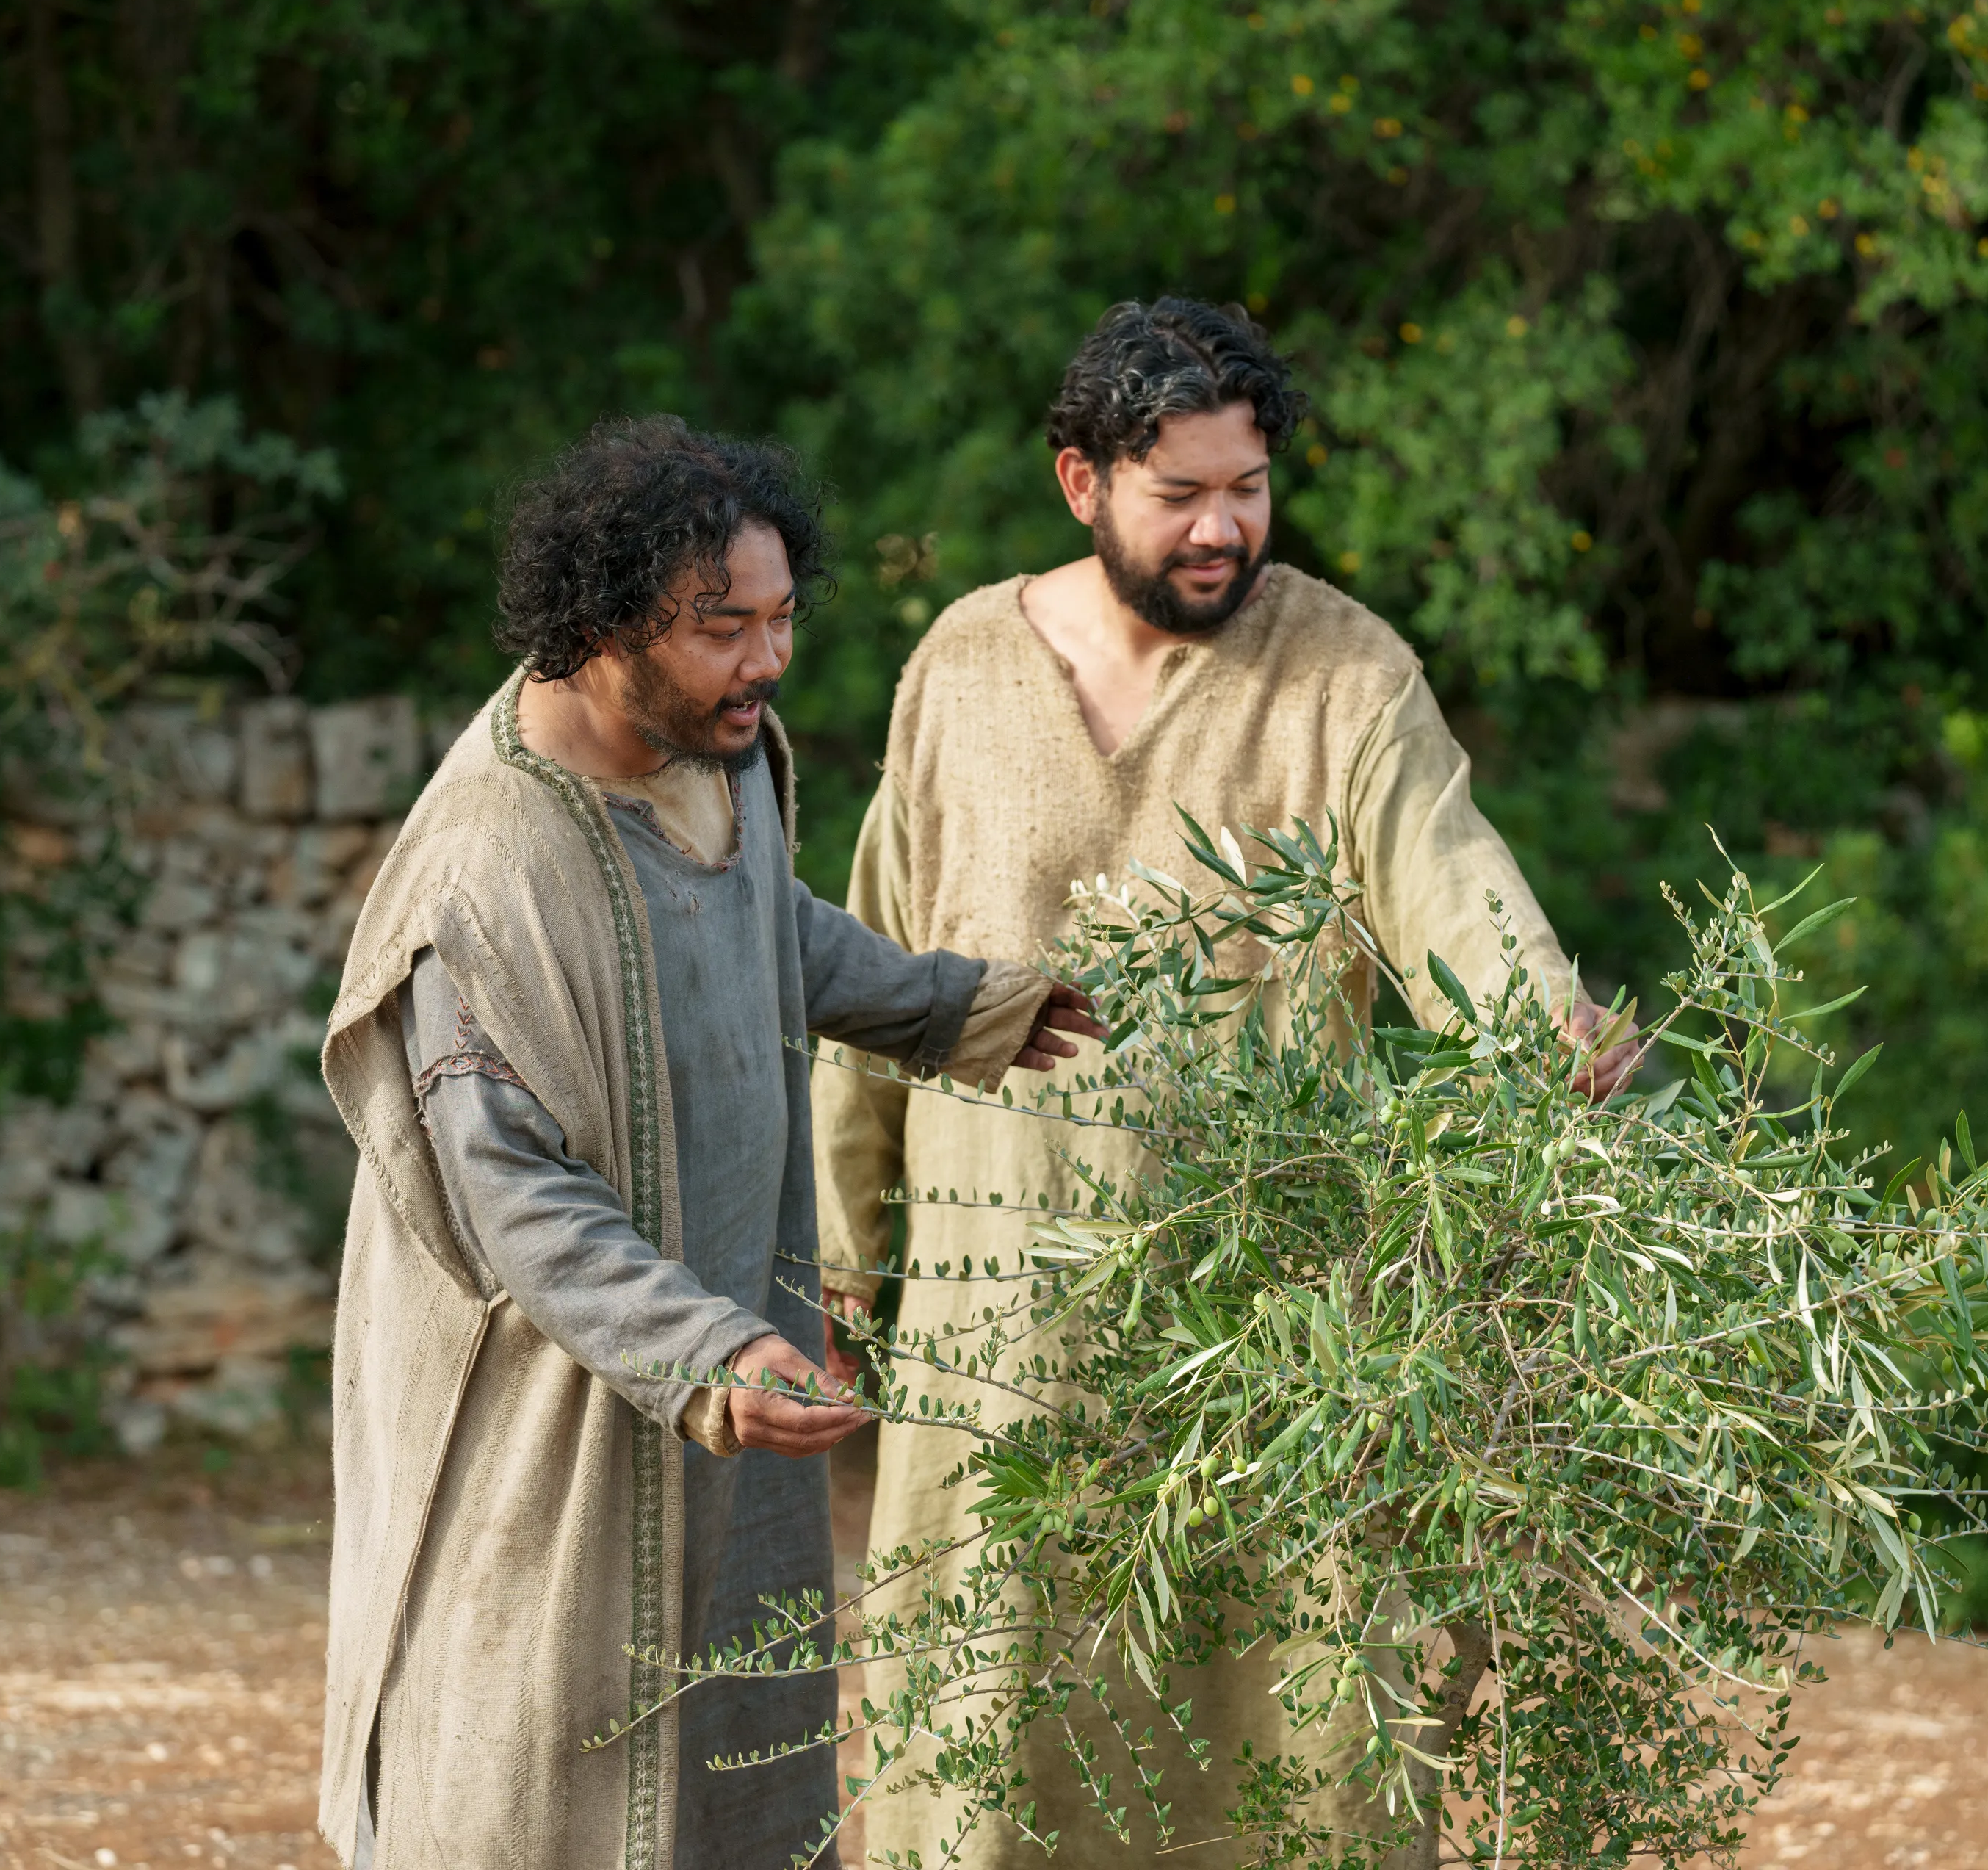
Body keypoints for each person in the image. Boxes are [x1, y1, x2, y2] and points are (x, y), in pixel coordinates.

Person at [812, 297, 1636, 1867]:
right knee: (988, 1758)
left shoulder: (1343, 671)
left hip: (1272, 1327)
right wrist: (834, 1255)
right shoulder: (965, 667)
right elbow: (870, 970)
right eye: (1179, 493)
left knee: (1291, 1763)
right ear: (1080, 483)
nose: (1222, 526)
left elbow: (1451, 883)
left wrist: (1546, 1031)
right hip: (1002, 1328)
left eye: (1246, 486)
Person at [315, 416, 1099, 1870]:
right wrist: (705, 1354)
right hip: (543, 1435)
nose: (767, 660)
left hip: (730, 1396)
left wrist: (950, 1005)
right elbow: (514, 1197)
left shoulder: (721, 753)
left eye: (782, 617)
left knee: (733, 1771)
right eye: (721, 626)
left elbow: (766, 931)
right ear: (603, 623)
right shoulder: (486, 870)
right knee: (524, 1782)